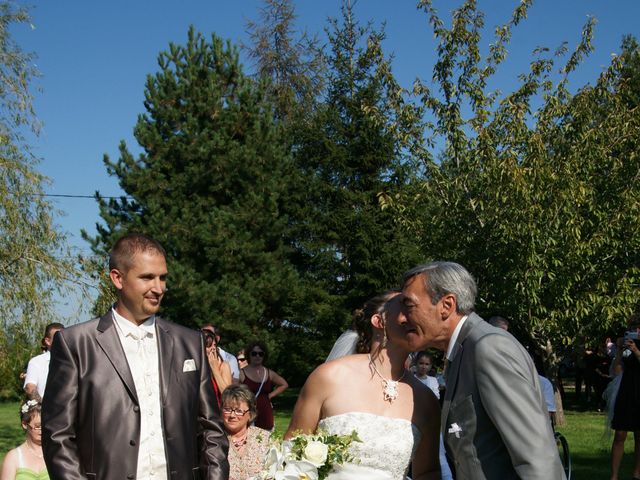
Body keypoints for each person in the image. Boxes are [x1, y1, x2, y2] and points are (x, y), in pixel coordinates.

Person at [41, 233, 229, 480]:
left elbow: (211, 430)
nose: (159, 288)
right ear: (118, 278)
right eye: (147, 277)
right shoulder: (76, 343)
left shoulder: (189, 343)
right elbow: (58, 435)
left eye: (163, 278)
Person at [401, 261, 565, 479]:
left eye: (409, 306)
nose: (402, 317)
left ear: (446, 306)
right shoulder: (463, 350)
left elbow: (537, 457)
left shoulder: (488, 348)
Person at [286, 292, 441, 479]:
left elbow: (427, 473)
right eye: (405, 306)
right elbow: (291, 454)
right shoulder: (329, 377)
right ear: (379, 321)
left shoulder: (425, 399)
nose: (416, 314)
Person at [609, 314, 640, 480]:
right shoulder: (626, 344)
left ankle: (637, 473)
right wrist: (620, 350)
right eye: (633, 328)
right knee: (620, 433)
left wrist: (636, 350)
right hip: (626, 389)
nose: (635, 331)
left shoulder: (635, 347)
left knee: (639, 434)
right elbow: (616, 370)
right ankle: (614, 475)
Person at [221, 384, 270, 480]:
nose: (232, 415)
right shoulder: (214, 439)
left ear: (250, 414)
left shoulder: (265, 438)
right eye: (227, 409)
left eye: (239, 411)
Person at [240, 340, 288, 430]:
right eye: (254, 353)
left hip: (265, 412)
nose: (257, 356)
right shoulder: (242, 373)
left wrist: (270, 396)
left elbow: (284, 384)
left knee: (266, 438)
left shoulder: (269, 373)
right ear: (249, 355)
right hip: (248, 412)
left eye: (260, 354)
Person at [0, 400, 48, 480]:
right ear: (25, 424)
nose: (42, 430)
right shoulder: (14, 457)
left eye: (45, 425)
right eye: (37, 426)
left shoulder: (56, 453)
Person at [23, 323, 64, 401]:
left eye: (64, 337)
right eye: (58, 338)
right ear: (48, 341)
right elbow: (30, 388)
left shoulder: (74, 359)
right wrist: (44, 405)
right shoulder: (36, 362)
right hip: (47, 411)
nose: (63, 340)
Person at [201, 326, 233, 407]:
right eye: (208, 345)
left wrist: (215, 370)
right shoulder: (197, 365)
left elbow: (228, 396)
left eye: (214, 345)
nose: (213, 348)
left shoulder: (223, 365)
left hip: (216, 414)